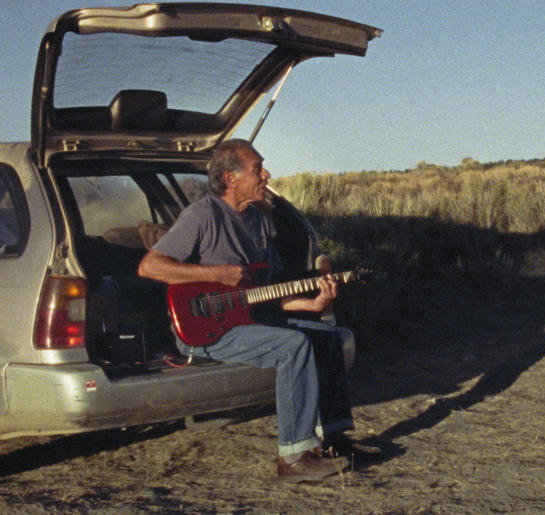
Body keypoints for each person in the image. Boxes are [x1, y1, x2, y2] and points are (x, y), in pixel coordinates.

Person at [138, 139, 378, 482]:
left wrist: (314, 303)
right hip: (207, 330)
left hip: (252, 318)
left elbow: (266, 294)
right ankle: (293, 457)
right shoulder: (202, 215)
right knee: (293, 347)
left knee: (328, 337)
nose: (266, 174)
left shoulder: (261, 221)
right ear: (230, 177)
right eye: (257, 168)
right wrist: (216, 274)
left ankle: (334, 441)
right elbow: (150, 267)